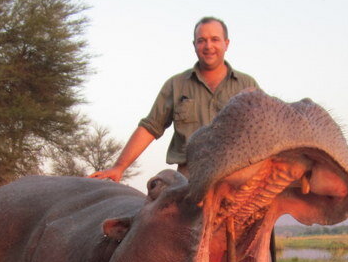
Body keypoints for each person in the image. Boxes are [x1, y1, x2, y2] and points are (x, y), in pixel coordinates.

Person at [89, 16, 258, 181]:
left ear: (226, 43)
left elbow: (262, 132)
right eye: (201, 40)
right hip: (189, 180)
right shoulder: (175, 85)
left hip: (237, 180)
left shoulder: (247, 85)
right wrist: (119, 167)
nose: (208, 46)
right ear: (194, 45)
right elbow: (150, 127)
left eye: (215, 39)